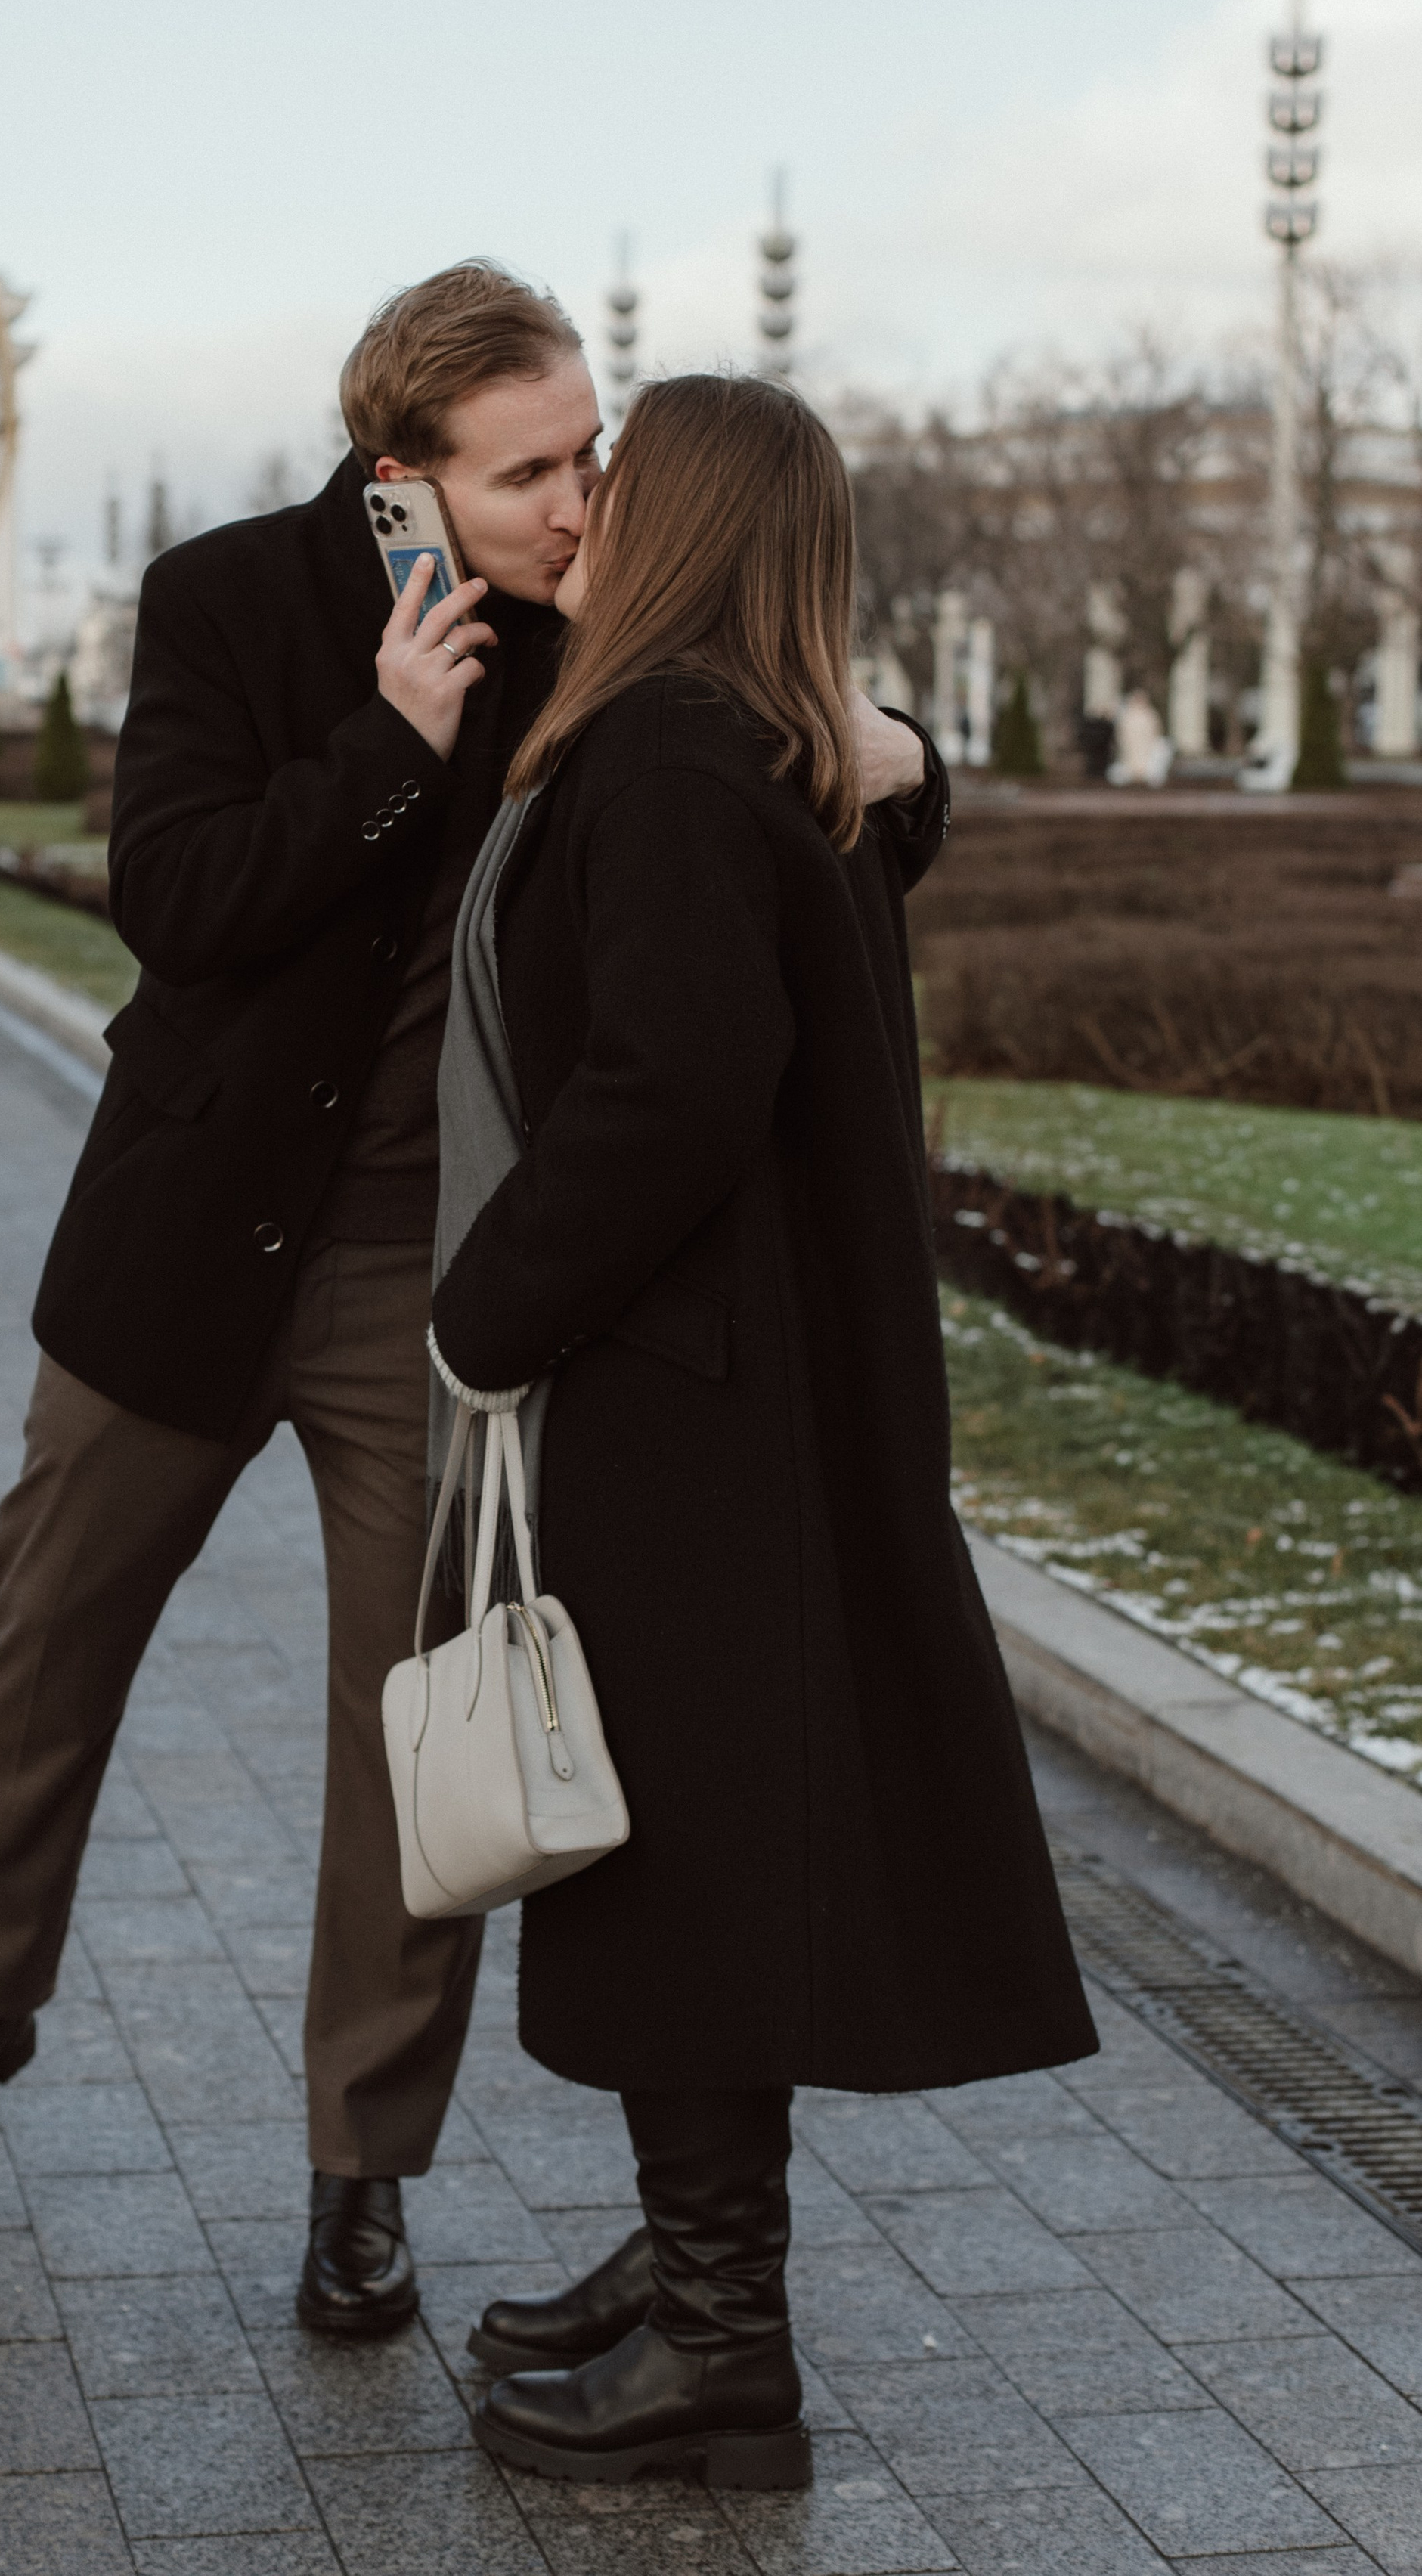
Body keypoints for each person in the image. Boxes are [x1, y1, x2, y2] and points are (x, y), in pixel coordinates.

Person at [0, 262, 605, 2337]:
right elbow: (175, 903)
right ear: (402, 479)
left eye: (589, 452)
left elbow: (767, 792)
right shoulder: (226, 601)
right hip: (188, 1238)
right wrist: (391, 744)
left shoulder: (601, 632)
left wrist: (904, 771)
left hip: (425, 1285)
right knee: (48, 1625)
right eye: (532, 471)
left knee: (416, 1733)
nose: (577, 500)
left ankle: (365, 2174)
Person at [426, 373, 1098, 2485]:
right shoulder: (763, 744)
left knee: (690, 1866)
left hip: (690, 1403)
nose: (582, 509)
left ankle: (726, 2345)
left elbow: (673, 1084)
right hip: (754, 1386)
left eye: (613, 481)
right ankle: (691, 2265)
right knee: (704, 1850)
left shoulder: (669, 753)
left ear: (691, 522)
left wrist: (484, 1310)